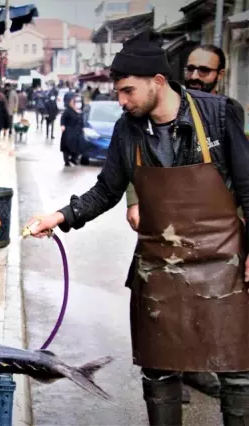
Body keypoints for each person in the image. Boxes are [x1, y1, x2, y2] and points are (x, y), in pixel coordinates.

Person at [24, 29, 249, 425]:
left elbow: (247, 185)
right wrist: (57, 217)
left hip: (224, 264)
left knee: (237, 372)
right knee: (159, 371)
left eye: (128, 91)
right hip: (159, 266)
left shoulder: (218, 113)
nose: (121, 100)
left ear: (158, 82)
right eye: (119, 91)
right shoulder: (128, 130)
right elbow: (107, 190)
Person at [124, 43, 248, 401]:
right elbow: (129, 165)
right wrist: (134, 200)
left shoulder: (225, 112)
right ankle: (178, 368)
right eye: (191, 68)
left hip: (219, 234)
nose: (195, 76)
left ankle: (202, 365)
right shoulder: (147, 117)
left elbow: (242, 177)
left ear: (220, 76)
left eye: (204, 71)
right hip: (166, 230)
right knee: (165, 325)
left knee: (225, 330)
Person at [60, 93, 83, 166]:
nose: (74, 102)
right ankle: (66, 160)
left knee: (77, 146)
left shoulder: (77, 110)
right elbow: (63, 118)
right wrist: (62, 125)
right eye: (73, 101)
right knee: (68, 146)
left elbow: (80, 119)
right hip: (69, 131)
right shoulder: (67, 111)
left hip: (77, 131)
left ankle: (73, 159)